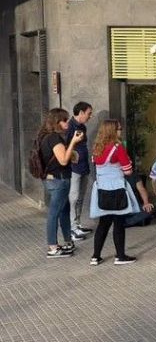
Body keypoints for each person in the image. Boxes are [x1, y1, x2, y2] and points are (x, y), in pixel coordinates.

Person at [88, 119, 148, 266]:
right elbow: (128, 170)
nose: (121, 131)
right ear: (113, 131)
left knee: (103, 223)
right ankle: (120, 256)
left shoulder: (97, 148)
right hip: (117, 189)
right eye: (119, 129)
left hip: (101, 189)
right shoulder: (117, 147)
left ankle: (95, 256)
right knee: (119, 222)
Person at [39, 108, 84, 258]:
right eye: (64, 120)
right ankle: (53, 247)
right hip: (58, 180)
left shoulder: (48, 137)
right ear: (57, 122)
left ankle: (67, 241)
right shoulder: (53, 138)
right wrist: (73, 142)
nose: (67, 123)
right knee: (54, 213)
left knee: (64, 210)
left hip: (55, 179)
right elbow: (63, 160)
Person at [67, 101, 93, 240]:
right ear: (81, 112)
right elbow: (65, 146)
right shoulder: (70, 126)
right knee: (74, 197)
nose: (90, 116)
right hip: (74, 168)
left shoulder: (82, 126)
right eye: (89, 113)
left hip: (83, 167)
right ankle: (72, 228)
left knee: (80, 198)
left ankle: (77, 223)